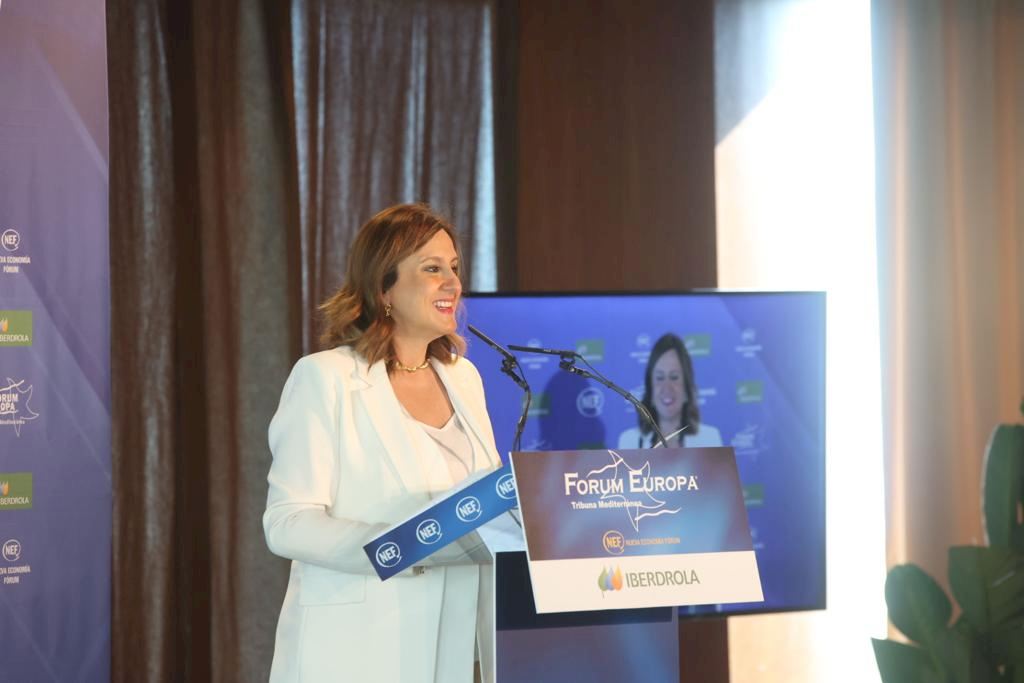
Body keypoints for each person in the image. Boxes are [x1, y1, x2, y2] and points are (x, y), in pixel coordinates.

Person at [263, 203, 501, 683]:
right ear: (384, 287)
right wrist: (404, 547)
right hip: (357, 652)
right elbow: (287, 524)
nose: (453, 283)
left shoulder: (464, 378)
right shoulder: (325, 378)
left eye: (454, 268)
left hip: (458, 651)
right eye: (432, 269)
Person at [617, 332, 722, 449]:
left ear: (686, 389)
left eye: (674, 377)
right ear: (650, 390)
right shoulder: (629, 441)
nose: (666, 387)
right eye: (660, 378)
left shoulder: (709, 439)